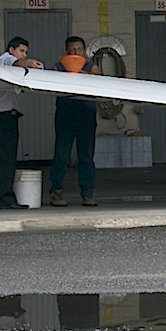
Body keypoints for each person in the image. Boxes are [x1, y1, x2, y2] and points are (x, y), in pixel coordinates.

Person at [0, 37, 43, 209]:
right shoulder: (6, 59)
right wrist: (29, 62)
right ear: (12, 49)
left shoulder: (8, 68)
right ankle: (6, 199)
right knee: (6, 159)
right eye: (22, 51)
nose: (23, 55)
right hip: (4, 117)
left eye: (26, 52)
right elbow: (17, 62)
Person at [49, 36, 101, 207]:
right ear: (66, 51)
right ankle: (56, 192)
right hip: (66, 114)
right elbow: (54, 83)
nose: (75, 52)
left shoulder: (91, 67)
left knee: (86, 156)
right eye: (72, 49)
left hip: (86, 114)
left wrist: (83, 76)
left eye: (79, 49)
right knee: (61, 155)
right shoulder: (59, 67)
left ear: (84, 51)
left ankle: (88, 194)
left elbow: (98, 79)